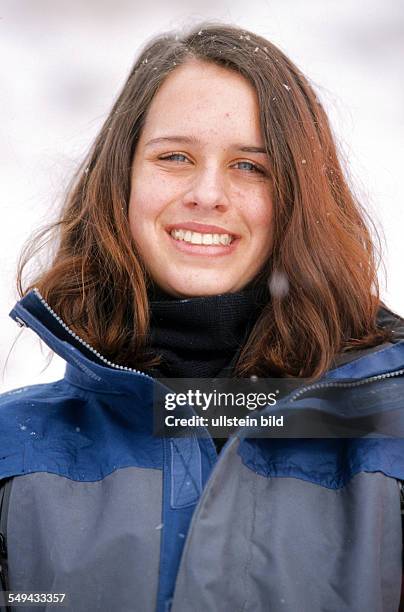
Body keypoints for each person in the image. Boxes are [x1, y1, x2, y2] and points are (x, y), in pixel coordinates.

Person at [1, 22, 404, 612]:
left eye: (250, 167)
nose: (207, 193)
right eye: (175, 156)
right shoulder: (12, 450)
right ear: (121, 182)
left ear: (301, 199)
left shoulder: (390, 437)